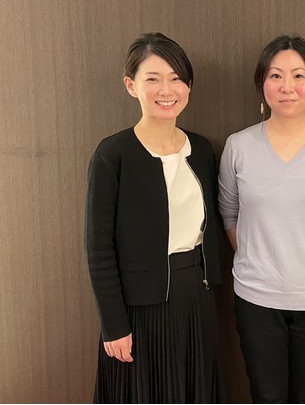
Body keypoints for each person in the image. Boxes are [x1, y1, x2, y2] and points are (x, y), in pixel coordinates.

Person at [84, 32, 223, 403]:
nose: (167, 89)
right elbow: (99, 247)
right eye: (153, 79)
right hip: (137, 308)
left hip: (195, 298)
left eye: (176, 78)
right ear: (131, 86)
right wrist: (114, 325)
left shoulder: (202, 149)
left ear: (188, 86)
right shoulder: (113, 154)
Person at [218, 35, 305, 403]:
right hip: (256, 299)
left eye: (298, 75)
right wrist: (261, 259)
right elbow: (229, 215)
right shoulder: (238, 146)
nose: (287, 86)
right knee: (266, 395)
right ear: (262, 84)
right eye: (276, 75)